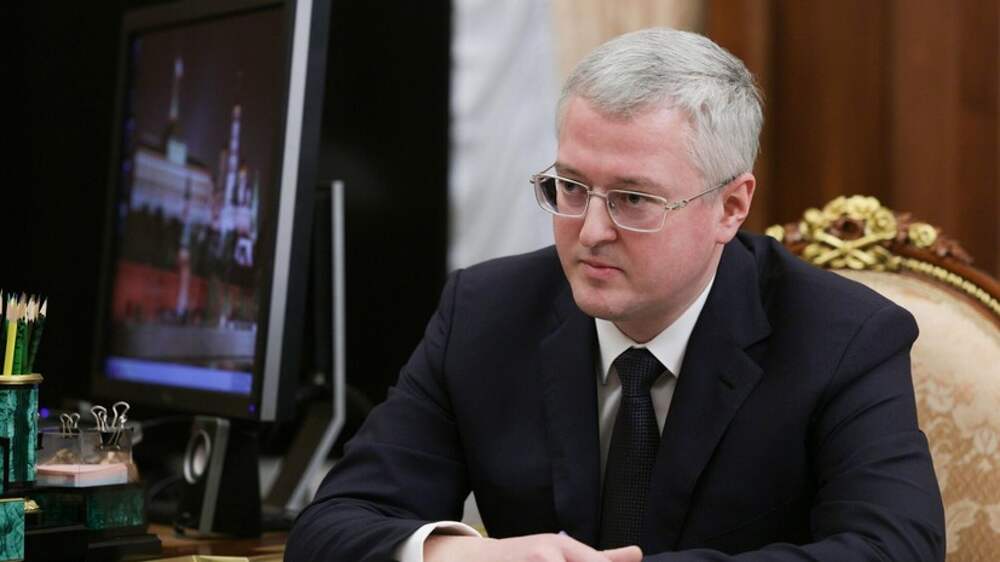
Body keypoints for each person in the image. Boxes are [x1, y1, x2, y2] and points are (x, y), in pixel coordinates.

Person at [286, 28, 945, 562]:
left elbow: (895, 548)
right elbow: (331, 527)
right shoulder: (485, 312)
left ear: (730, 206)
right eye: (571, 188)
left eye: (633, 198)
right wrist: (462, 555)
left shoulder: (841, 337)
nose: (591, 231)